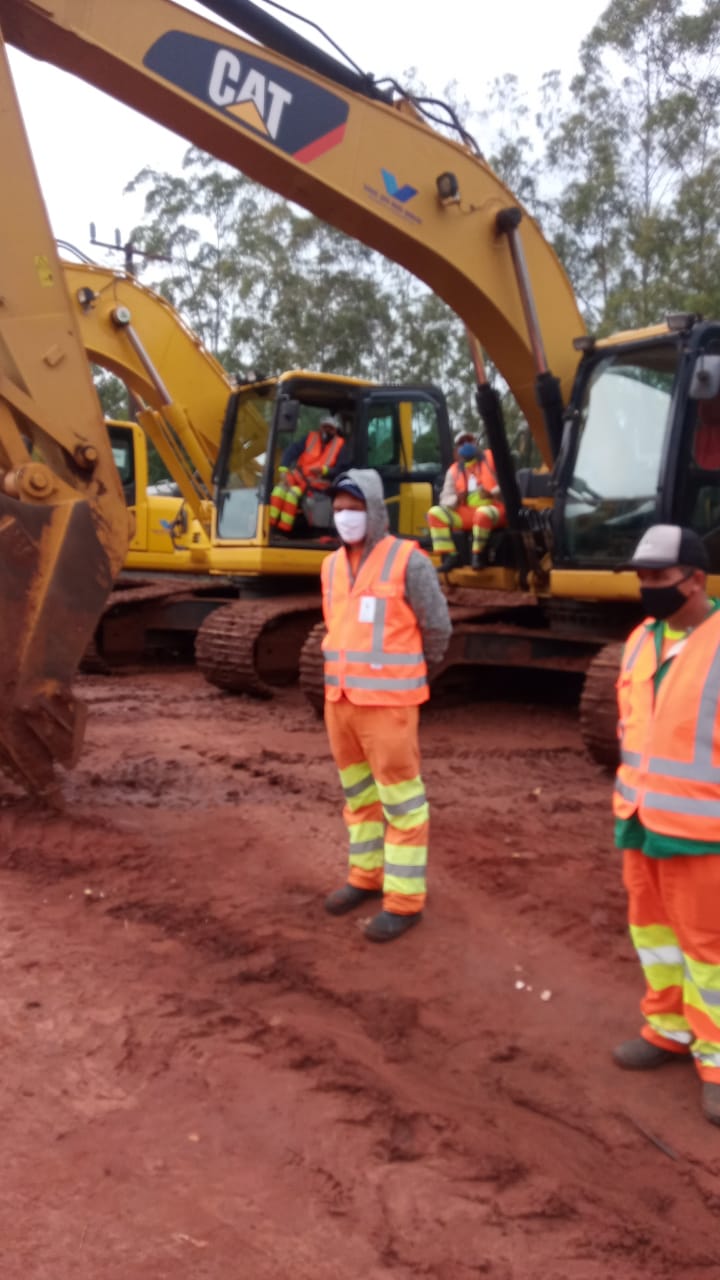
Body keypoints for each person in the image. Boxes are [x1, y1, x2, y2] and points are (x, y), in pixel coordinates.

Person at [613, 523, 720, 1125]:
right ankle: (667, 1027)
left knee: (709, 948)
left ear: (695, 581)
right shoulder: (640, 639)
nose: (647, 589)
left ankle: (717, 1057)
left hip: (704, 831)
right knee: (652, 933)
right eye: (642, 578)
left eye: (658, 579)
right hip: (640, 817)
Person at [321, 469, 452, 941]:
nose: (344, 517)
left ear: (374, 509)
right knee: (359, 800)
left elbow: (437, 629)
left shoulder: (408, 561)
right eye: (337, 509)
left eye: (353, 508)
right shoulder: (331, 566)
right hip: (340, 703)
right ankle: (365, 876)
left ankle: (403, 901)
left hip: (389, 707)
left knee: (402, 804)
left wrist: (409, 676)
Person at [426, 430, 506, 572]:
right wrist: (457, 499)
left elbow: (508, 482)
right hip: (467, 513)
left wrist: (492, 493)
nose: (466, 445)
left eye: (469, 441)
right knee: (434, 513)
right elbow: (445, 498)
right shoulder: (453, 470)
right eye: (462, 443)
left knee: (482, 514)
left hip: (495, 508)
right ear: (457, 449)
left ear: (475, 443)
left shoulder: (490, 458)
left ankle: (478, 555)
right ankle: (451, 556)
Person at [269, 414, 349, 534]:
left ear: (336, 430)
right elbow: (291, 450)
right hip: (298, 477)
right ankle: (269, 525)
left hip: (317, 485)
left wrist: (324, 471)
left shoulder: (341, 445)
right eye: (325, 427)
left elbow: (341, 470)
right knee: (279, 490)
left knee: (292, 495)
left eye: (330, 428)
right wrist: (283, 469)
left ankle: (283, 531)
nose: (327, 431)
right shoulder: (310, 438)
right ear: (320, 427)